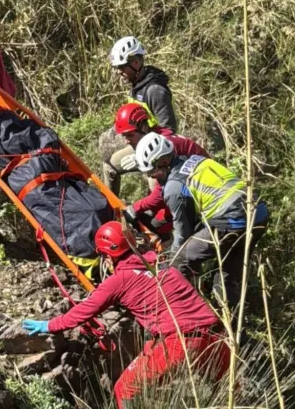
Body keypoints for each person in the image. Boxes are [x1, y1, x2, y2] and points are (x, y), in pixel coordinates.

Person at [21, 221, 229, 408]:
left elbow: (84, 311)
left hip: (179, 341)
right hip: (216, 336)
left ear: (107, 255)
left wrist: (49, 325)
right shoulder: (164, 267)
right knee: (227, 393)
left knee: (126, 390)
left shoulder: (119, 280)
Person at [134, 132, 269, 309]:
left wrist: (168, 263)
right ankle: (229, 317)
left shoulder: (174, 187)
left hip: (233, 219)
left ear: (164, 161)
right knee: (227, 276)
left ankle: (184, 311)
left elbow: (183, 235)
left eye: (152, 171)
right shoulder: (196, 160)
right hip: (258, 213)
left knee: (181, 258)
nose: (152, 177)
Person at [113, 103, 208, 237]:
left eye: (130, 135)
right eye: (124, 136)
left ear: (143, 127)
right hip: (187, 182)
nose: (126, 141)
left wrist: (134, 208)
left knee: (156, 225)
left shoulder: (165, 148)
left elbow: (160, 194)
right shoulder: (157, 138)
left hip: (199, 190)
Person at [104, 36, 177, 196]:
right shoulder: (137, 85)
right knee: (110, 166)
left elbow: (170, 132)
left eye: (122, 67)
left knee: (155, 190)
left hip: (157, 151)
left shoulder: (155, 91)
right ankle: (111, 207)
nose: (118, 72)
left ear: (136, 63)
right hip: (139, 143)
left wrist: (142, 157)